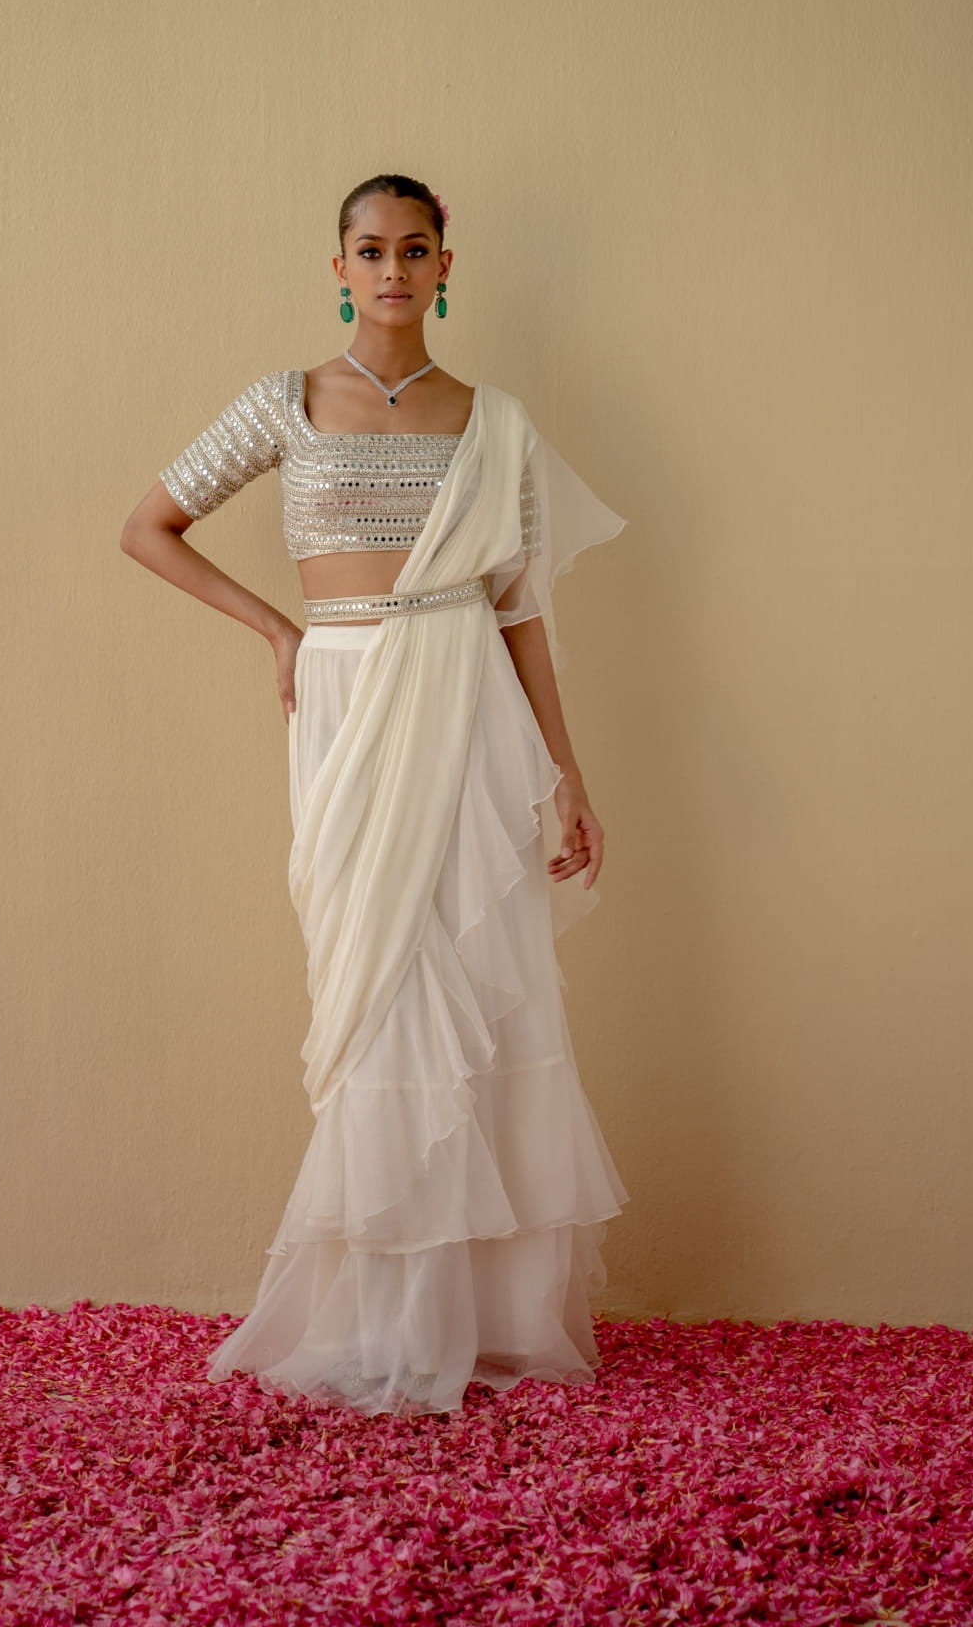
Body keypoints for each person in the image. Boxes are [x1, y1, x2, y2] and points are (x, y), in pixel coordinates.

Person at [120, 172, 631, 1418]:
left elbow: (518, 612)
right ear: (335, 266)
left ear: (443, 264)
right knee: (373, 981)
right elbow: (149, 525)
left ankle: (472, 1320)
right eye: (368, 248)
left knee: (471, 974)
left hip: (468, 708)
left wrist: (563, 774)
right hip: (347, 698)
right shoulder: (282, 403)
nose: (390, 268)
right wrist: (277, 631)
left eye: (413, 248)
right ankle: (377, 1319)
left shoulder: (489, 419)